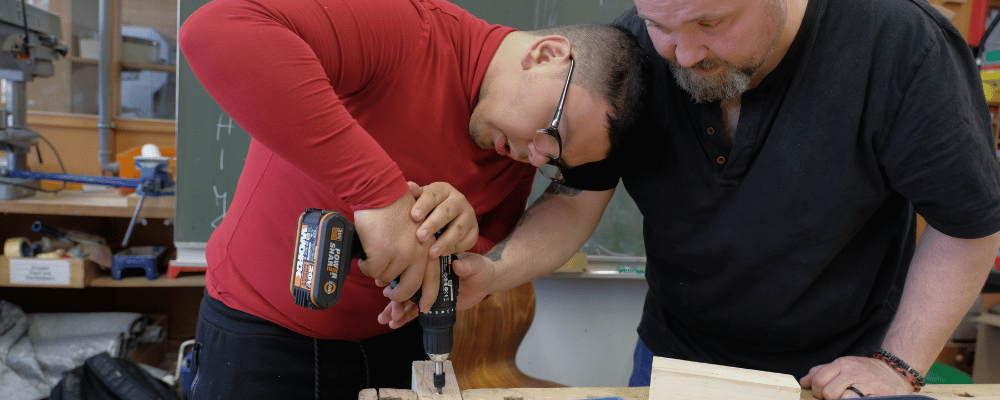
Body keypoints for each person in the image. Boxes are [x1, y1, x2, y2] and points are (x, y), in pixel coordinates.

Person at [381, 0, 1000, 398]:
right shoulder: (633, 54)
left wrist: (897, 365)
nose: (682, 53)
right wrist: (492, 273)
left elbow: (966, 226)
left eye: (710, 23)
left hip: (838, 372)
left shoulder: (902, 49)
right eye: (662, 26)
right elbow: (577, 198)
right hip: (673, 362)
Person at [176, 0, 647, 398]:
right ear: (546, 55)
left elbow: (481, 250)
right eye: (552, 132)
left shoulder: (512, 145)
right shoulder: (409, 31)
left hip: (394, 346)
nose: (536, 156)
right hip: (262, 336)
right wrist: (379, 193)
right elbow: (217, 30)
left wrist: (449, 250)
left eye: (554, 158)